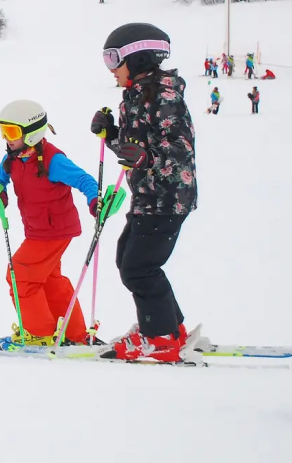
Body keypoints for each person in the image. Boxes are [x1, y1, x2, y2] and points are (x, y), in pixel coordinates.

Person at [91, 22, 199, 363]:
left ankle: (160, 337)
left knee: (139, 268)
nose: (110, 69)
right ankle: (171, 328)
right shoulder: (135, 97)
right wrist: (111, 134)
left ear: (137, 60)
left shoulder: (165, 97)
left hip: (167, 197)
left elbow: (178, 149)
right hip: (148, 196)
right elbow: (134, 149)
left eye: (114, 59)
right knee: (129, 259)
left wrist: (147, 157)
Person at [0, 100, 99, 349]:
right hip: (38, 230)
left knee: (20, 275)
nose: (6, 138)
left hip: (54, 231)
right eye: (3, 131)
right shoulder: (14, 158)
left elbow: (84, 179)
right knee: (48, 279)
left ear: (32, 133)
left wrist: (94, 200)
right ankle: (74, 333)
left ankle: (38, 333)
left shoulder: (52, 160)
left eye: (12, 132)